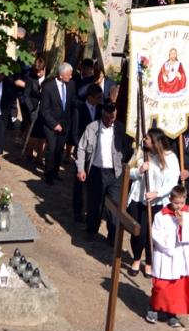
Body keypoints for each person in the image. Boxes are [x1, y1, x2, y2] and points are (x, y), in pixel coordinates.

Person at [146, 185, 189, 328]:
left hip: (181, 256)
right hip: (165, 255)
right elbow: (156, 234)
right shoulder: (161, 215)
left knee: (177, 288)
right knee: (161, 286)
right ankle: (154, 307)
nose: (179, 206)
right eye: (176, 203)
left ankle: (172, 314)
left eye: (182, 203)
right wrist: (170, 243)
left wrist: (182, 225)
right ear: (170, 199)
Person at [127, 128, 180, 277]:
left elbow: (172, 181)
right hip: (138, 199)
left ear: (156, 141)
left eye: (147, 138)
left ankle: (149, 263)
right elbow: (128, 172)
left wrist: (157, 193)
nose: (144, 140)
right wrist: (139, 171)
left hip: (157, 202)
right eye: (144, 138)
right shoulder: (140, 153)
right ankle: (137, 259)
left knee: (152, 234)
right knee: (139, 233)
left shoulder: (170, 158)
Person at [76, 101, 131, 243]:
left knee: (115, 206)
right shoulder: (92, 127)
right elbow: (81, 148)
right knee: (95, 204)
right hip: (96, 171)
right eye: (107, 117)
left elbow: (128, 148)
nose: (110, 121)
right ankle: (91, 230)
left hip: (115, 173)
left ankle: (112, 236)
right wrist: (81, 168)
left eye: (112, 118)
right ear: (102, 114)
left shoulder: (120, 128)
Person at [40, 62, 76, 184]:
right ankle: (48, 174)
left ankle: (55, 172)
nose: (71, 76)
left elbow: (72, 102)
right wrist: (54, 124)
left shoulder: (71, 85)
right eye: (69, 74)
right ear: (61, 75)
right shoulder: (48, 87)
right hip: (51, 125)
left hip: (65, 124)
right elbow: (44, 110)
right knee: (51, 149)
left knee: (60, 150)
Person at [72, 83, 103, 222]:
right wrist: (81, 150)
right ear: (90, 97)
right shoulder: (79, 109)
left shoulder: (100, 110)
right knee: (79, 184)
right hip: (82, 151)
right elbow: (75, 132)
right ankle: (77, 211)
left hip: (96, 154)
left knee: (93, 185)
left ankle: (90, 211)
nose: (100, 100)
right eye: (97, 98)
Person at [20, 56, 47, 164]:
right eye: (36, 71)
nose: (38, 74)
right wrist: (31, 110)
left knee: (42, 134)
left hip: (44, 110)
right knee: (32, 133)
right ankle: (29, 152)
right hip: (33, 108)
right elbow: (26, 95)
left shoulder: (49, 79)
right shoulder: (30, 78)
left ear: (44, 69)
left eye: (40, 72)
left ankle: (40, 156)